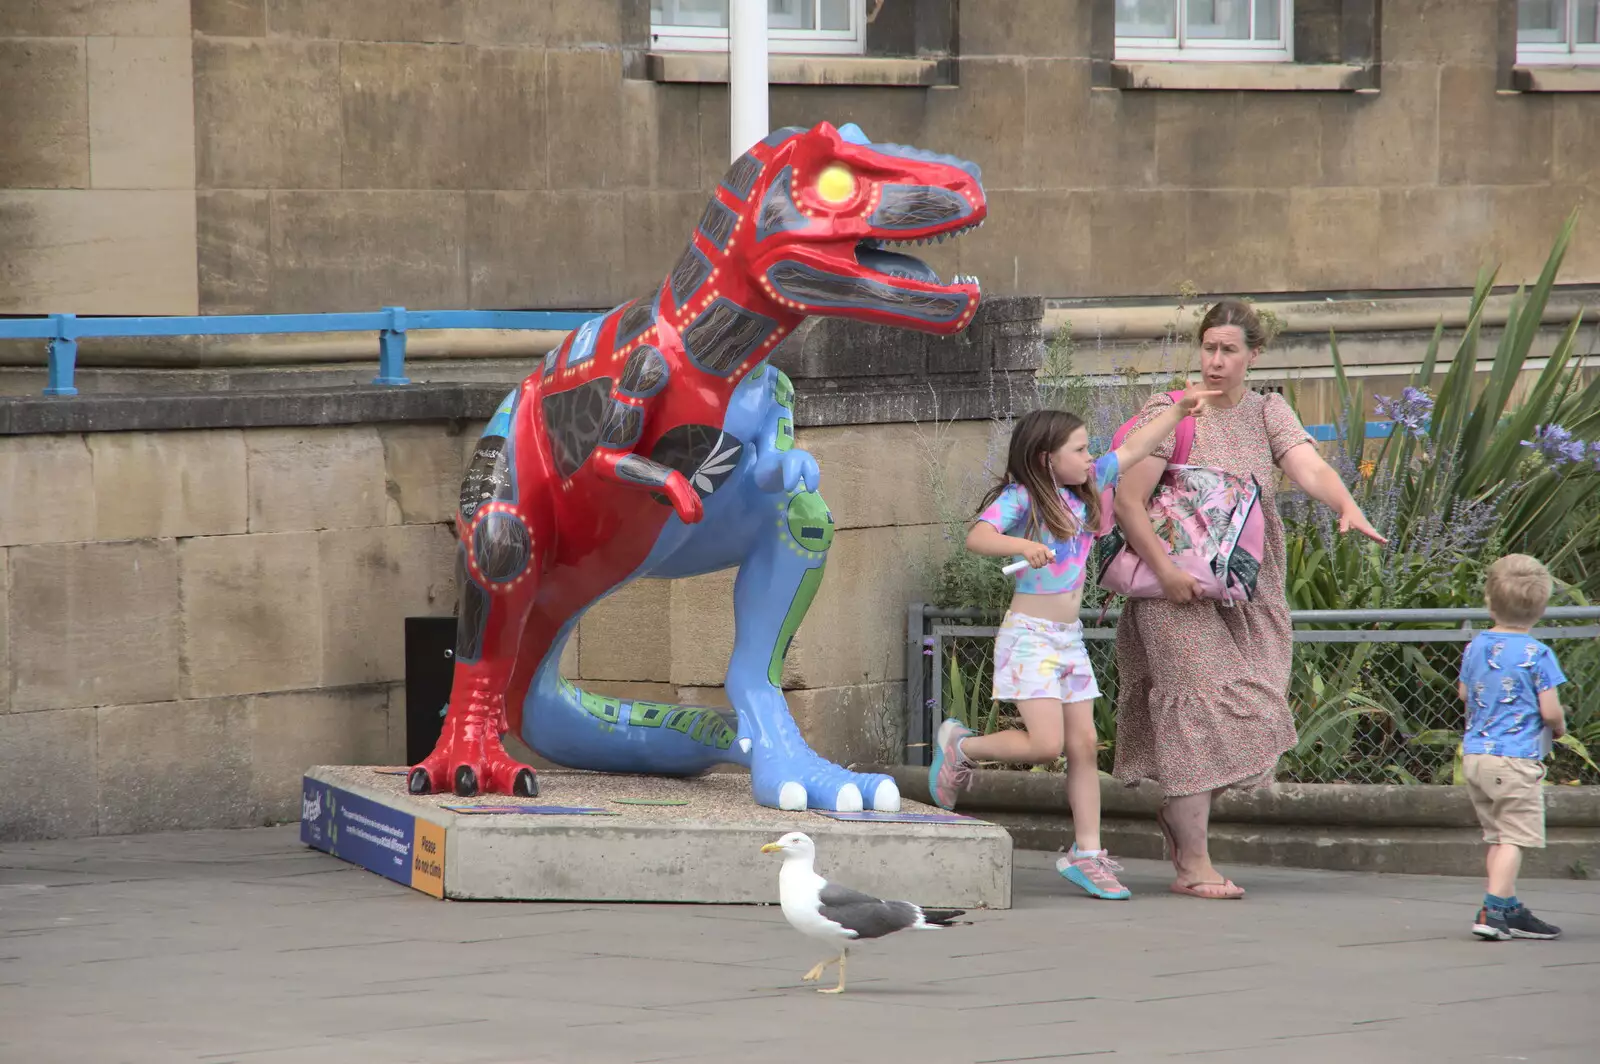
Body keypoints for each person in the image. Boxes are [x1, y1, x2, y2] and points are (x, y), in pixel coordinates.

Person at [1110, 299, 1386, 899]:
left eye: (1228, 350)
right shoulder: (1172, 409)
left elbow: (1308, 466)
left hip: (1249, 588)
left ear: (1252, 355)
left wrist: (1344, 504)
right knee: (1199, 708)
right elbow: (1128, 502)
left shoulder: (1268, 410)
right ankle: (1193, 864)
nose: (1214, 361)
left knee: (1254, 708)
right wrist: (1166, 572)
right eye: (1208, 347)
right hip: (1172, 590)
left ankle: (1183, 828)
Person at [928, 383, 1221, 901]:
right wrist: (1022, 544)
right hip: (1029, 638)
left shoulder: (1088, 484)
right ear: (1046, 459)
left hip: (1068, 640)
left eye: (1090, 449)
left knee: (1085, 746)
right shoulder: (1022, 497)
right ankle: (961, 746)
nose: (1092, 457)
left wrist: (1177, 410)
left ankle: (1087, 854)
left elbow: (1131, 450)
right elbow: (978, 537)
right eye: (1081, 449)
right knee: (1047, 745)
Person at [1460, 554, 1567, 941]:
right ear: (1541, 609)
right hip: (1516, 758)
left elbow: (1463, 692)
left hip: (1476, 756)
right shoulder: (1537, 655)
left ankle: (1508, 906)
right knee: (1514, 838)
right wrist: (1558, 727)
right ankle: (1492, 911)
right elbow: (1550, 709)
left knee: (1497, 836)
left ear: (1489, 601)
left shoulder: (1475, 648)